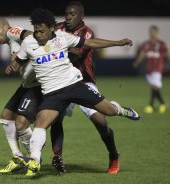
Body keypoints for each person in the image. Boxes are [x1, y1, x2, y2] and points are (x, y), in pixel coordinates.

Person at [9, 8, 140, 176]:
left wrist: (117, 42)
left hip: (74, 86)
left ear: (51, 28)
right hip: (52, 94)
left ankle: (120, 109)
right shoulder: (28, 43)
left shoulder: (63, 37)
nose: (38, 34)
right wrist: (12, 65)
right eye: (36, 30)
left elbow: (90, 43)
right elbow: (18, 61)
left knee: (108, 112)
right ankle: (34, 160)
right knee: (40, 124)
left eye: (42, 31)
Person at [50, 1, 121, 175]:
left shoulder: (86, 32)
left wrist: (56, 47)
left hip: (83, 81)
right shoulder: (58, 27)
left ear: (81, 16)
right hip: (62, 81)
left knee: (100, 121)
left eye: (72, 14)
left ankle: (113, 155)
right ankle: (57, 157)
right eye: (66, 13)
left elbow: (77, 53)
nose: (68, 17)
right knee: (55, 118)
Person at [0, 17, 39, 174]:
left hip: (36, 86)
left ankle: (34, 159)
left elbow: (32, 35)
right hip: (26, 85)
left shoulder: (12, 32)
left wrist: (19, 55)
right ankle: (18, 157)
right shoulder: (11, 41)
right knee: (6, 117)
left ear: (5, 27)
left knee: (21, 122)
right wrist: (14, 63)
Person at [133, 25, 170, 114]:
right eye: (151, 32)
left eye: (154, 32)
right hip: (148, 69)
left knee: (155, 86)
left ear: (157, 33)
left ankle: (151, 105)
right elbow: (142, 54)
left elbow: (168, 55)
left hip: (157, 68)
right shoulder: (146, 44)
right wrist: (137, 62)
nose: (152, 34)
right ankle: (162, 104)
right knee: (154, 87)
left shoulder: (161, 44)